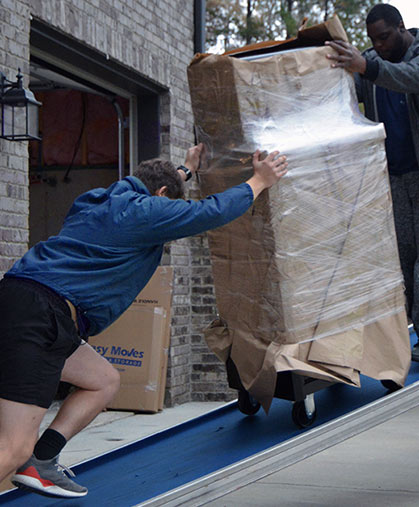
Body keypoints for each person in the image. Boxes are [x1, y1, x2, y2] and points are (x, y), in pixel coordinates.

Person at [0, 143, 288, 498]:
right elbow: (208, 212)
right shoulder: (145, 211)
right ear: (161, 196)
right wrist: (259, 181)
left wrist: (185, 169)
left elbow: (147, 184)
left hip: (22, 300)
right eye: (167, 200)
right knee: (12, 449)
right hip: (44, 315)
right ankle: (27, 459)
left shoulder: (98, 199)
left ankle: (42, 462)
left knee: (102, 380)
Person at [325, 4, 419, 364]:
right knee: (403, 257)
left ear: (402, 28)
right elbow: (346, 86)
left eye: (385, 37)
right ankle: (409, 333)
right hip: (392, 176)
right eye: (373, 40)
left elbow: (412, 76)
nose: (379, 45)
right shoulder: (374, 60)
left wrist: (368, 65)